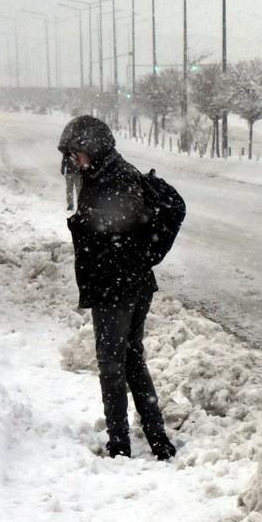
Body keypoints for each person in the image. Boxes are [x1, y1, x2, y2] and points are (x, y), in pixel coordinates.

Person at [59, 115, 178, 461]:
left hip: (119, 286)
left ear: (93, 147)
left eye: (76, 152)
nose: (73, 160)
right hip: (127, 283)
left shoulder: (117, 178)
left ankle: (120, 443)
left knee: (113, 363)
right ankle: (156, 438)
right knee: (130, 358)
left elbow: (119, 234)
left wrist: (84, 227)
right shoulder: (106, 174)